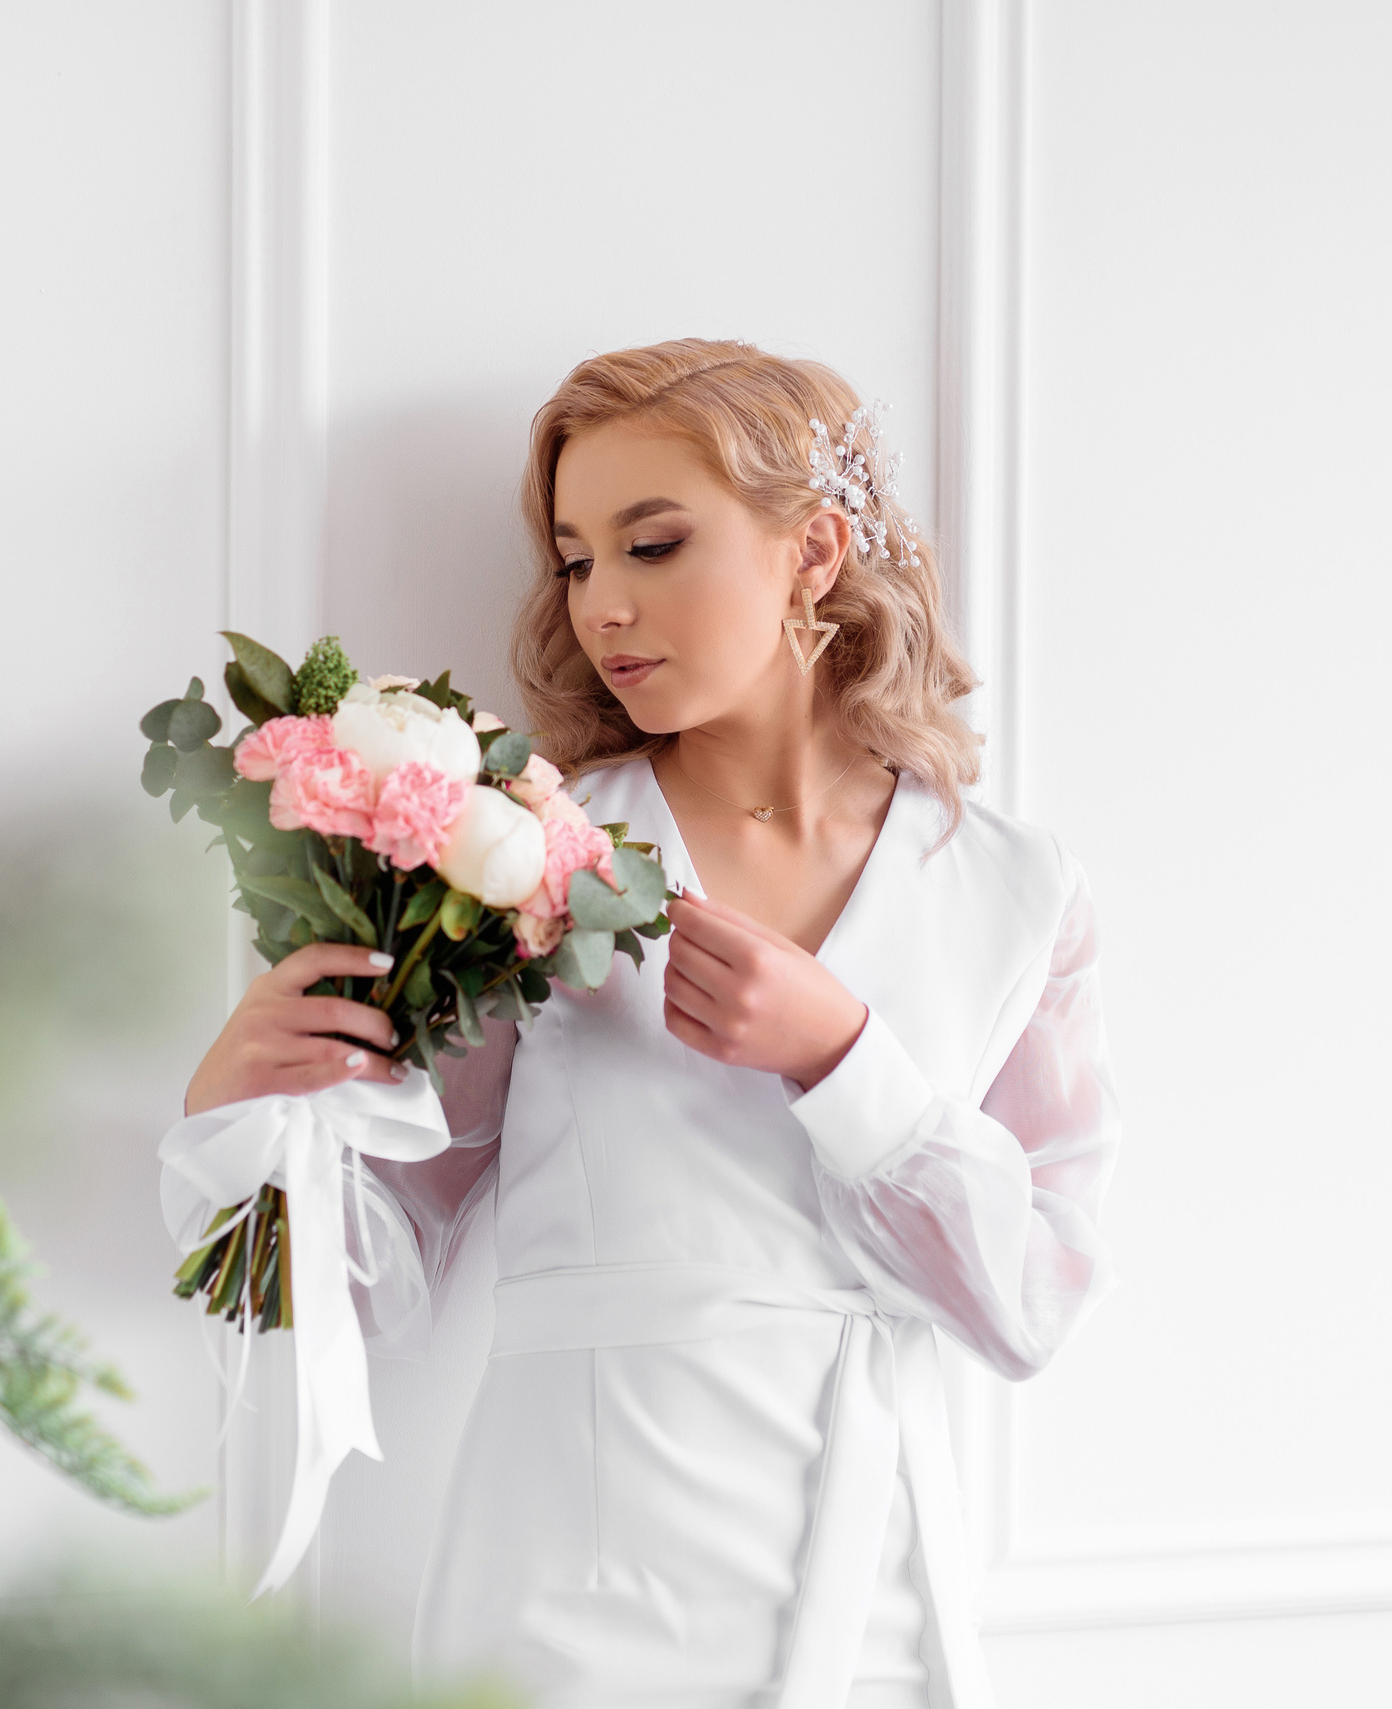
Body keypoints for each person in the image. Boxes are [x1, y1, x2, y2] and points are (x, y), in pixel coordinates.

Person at [176, 339, 1121, 1709]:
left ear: (814, 552)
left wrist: (845, 1062)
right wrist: (238, 1112)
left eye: (654, 545)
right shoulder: (529, 859)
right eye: (575, 561)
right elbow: (364, 1287)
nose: (603, 605)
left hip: (881, 1594)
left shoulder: (1015, 890)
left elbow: (1033, 1303)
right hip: (576, 1598)